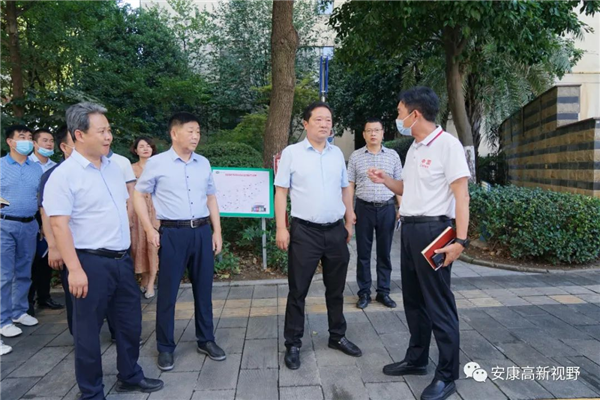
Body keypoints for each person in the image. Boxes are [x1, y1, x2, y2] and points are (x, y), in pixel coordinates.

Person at [44, 102, 163, 399]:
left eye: (109, 130)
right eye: (101, 131)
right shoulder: (64, 175)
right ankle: (91, 392)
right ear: (79, 135)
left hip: (121, 260)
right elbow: (59, 225)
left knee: (130, 323)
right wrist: (74, 269)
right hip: (89, 262)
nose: (108, 136)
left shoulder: (113, 167)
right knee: (87, 332)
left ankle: (129, 375)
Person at [368, 87, 470, 400]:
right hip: (410, 229)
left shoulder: (447, 146)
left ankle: (447, 375)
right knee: (413, 300)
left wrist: (460, 241)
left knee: (438, 304)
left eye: (400, 113)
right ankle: (417, 358)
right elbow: (408, 188)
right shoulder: (414, 148)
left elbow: (462, 196)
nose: (397, 118)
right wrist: (386, 180)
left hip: (434, 232)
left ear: (415, 114)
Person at [134, 112, 224, 371]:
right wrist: (149, 228)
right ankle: (165, 346)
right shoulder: (157, 163)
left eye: (198, 131)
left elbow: (211, 198)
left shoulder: (203, 163)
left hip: (201, 231)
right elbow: (138, 195)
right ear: (174, 133)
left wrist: (217, 232)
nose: (195, 136)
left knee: (204, 290)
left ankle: (206, 339)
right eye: (190, 131)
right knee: (168, 292)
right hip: (173, 233)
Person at [275, 101, 362, 371]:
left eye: (328, 120)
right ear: (306, 123)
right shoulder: (292, 153)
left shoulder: (336, 154)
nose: (325, 124)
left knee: (336, 289)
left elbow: (345, 188)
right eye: (319, 119)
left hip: (335, 230)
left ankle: (337, 336)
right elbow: (281, 192)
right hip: (305, 232)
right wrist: (281, 227)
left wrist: (349, 220)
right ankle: (293, 343)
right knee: (298, 290)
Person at [347, 118, 402, 310]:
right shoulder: (356, 156)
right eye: (369, 130)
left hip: (387, 208)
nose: (373, 134)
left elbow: (399, 183)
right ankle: (364, 293)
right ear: (364, 134)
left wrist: (401, 207)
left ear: (382, 133)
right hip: (364, 208)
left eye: (376, 130)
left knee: (384, 252)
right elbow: (350, 184)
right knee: (363, 253)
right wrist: (349, 210)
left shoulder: (393, 156)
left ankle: (383, 292)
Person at [1, 125, 43, 338]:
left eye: (29, 137)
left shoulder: (35, 168)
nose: (27, 140)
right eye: (22, 137)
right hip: (4, 225)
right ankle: (3, 320)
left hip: (29, 224)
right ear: (10, 142)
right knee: (4, 275)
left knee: (24, 271)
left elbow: (40, 198)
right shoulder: (0, 165)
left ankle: (19, 311)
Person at [37, 126, 75, 334]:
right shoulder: (53, 175)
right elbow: (46, 214)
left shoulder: (101, 170)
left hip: (99, 244)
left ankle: (115, 331)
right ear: (64, 147)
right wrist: (53, 246)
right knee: (74, 294)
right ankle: (79, 335)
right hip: (68, 243)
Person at [28, 128, 64, 315]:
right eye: (44, 140)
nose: (49, 144)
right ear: (34, 144)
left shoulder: (56, 167)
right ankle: (27, 302)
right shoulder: (26, 164)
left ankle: (44, 297)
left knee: (46, 260)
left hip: (49, 216)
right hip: (30, 216)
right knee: (29, 261)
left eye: (51, 141)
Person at [129, 137, 159, 299]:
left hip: (155, 210)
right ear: (136, 150)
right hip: (137, 211)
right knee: (138, 246)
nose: (146, 148)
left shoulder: (159, 167)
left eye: (148, 146)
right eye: (141, 146)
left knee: (153, 247)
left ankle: (151, 283)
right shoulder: (130, 169)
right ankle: (144, 278)